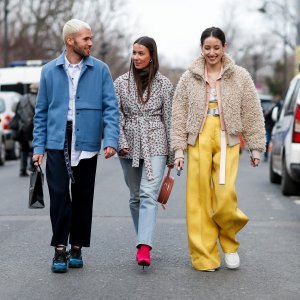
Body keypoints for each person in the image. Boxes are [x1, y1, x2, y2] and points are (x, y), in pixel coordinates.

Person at [172, 27, 265, 272]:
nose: (211, 52)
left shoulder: (240, 76)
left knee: (224, 197)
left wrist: (255, 147)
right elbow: (179, 114)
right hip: (198, 137)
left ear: (225, 47)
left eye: (216, 47)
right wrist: (179, 150)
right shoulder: (189, 77)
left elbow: (252, 112)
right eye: (207, 47)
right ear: (201, 48)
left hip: (227, 138)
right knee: (198, 200)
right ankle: (205, 257)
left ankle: (230, 244)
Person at [32, 19, 119, 273]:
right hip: (57, 139)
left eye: (90, 38)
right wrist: (38, 148)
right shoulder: (49, 70)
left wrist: (111, 140)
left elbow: (111, 109)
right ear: (70, 41)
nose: (90, 43)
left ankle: (77, 246)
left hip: (87, 139)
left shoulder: (101, 70)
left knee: (82, 196)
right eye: (86, 39)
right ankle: (60, 248)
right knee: (59, 195)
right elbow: (41, 112)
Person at [114, 36, 174, 268]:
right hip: (128, 141)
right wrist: (121, 140)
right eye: (134, 53)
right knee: (135, 196)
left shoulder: (164, 84)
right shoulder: (120, 83)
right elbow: (115, 114)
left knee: (149, 194)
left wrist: (172, 154)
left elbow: (168, 118)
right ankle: (144, 238)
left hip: (156, 139)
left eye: (141, 53)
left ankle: (144, 246)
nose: (136, 57)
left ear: (152, 56)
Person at [11, 83, 38, 176]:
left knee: (23, 149)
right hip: (33, 128)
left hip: (22, 128)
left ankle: (22, 169)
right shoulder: (38, 99)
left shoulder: (22, 98)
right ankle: (32, 167)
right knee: (33, 148)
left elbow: (15, 110)